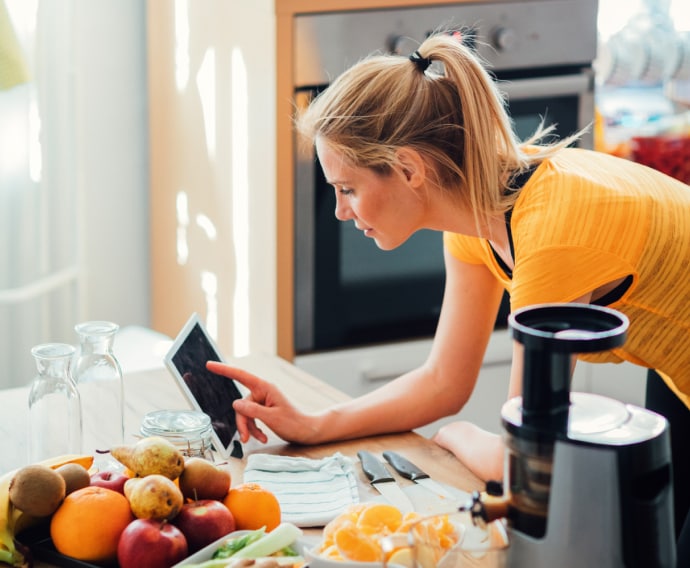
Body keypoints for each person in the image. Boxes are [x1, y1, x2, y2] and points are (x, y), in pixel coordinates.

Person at [207, 31, 690, 559]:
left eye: (347, 189)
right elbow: (443, 380)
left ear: (410, 169)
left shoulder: (554, 233)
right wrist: (313, 424)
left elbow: (521, 461)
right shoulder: (477, 215)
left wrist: (457, 434)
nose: (342, 212)